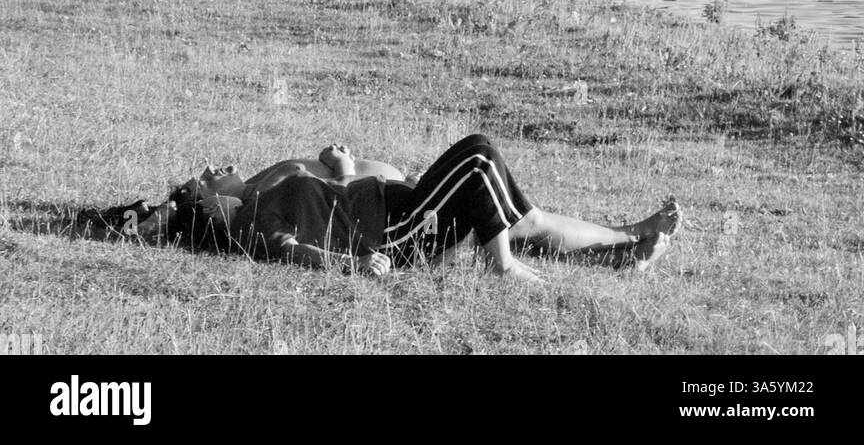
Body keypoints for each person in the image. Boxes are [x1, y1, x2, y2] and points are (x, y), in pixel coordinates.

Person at [124, 134, 681, 284]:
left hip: (398, 205)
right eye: (208, 180)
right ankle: (503, 267)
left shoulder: (264, 193)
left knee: (523, 217)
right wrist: (349, 266)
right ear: (213, 208)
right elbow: (289, 253)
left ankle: (626, 246)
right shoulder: (250, 218)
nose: (214, 169)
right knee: (480, 155)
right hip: (394, 230)